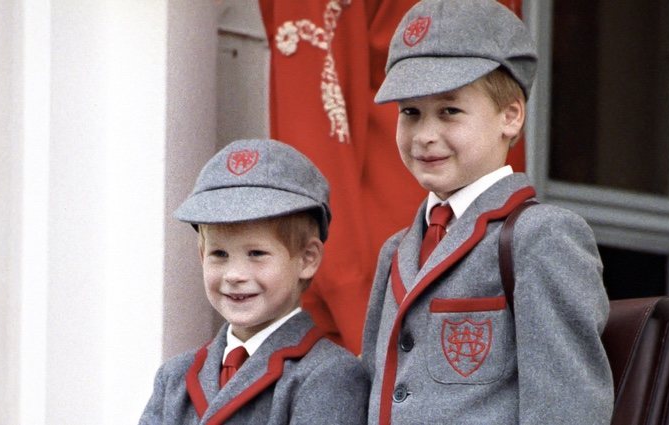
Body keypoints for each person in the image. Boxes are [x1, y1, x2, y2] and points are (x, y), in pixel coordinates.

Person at [361, 1, 614, 424]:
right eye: (410, 113)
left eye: (449, 111)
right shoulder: (397, 251)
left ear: (510, 115)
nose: (424, 135)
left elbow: (568, 409)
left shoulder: (542, 237)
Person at [140, 139, 369, 424]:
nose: (234, 274)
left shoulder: (328, 375)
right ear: (201, 256)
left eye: (256, 254)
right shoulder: (175, 378)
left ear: (307, 259)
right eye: (219, 254)